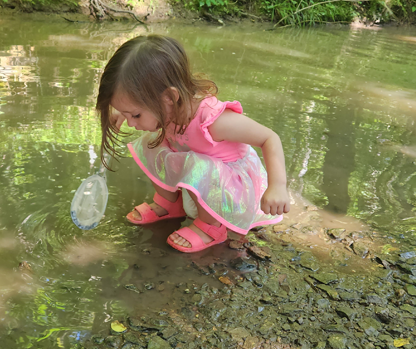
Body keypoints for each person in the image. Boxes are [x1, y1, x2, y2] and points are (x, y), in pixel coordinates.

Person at [96, 35, 289, 253]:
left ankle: (211, 228)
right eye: (127, 115)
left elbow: (269, 137)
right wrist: (124, 113)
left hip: (230, 193)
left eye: (136, 115)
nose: (132, 123)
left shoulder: (213, 121)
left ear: (169, 97)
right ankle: (169, 204)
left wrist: (277, 186)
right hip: (200, 182)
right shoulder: (167, 109)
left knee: (199, 164)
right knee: (151, 143)